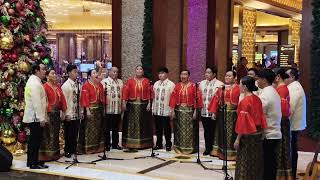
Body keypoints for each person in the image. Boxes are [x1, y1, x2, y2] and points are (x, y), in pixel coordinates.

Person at [234, 76, 268, 180]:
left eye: (240, 84)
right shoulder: (257, 98)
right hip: (257, 134)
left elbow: (243, 123)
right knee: (255, 159)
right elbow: (262, 116)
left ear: (244, 87)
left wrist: (237, 139)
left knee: (244, 160)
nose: (239, 86)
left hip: (247, 135)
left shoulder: (244, 101)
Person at [208, 70, 240, 160]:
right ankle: (220, 152)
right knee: (221, 132)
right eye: (226, 76)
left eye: (229, 76)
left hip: (233, 115)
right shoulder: (221, 88)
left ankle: (231, 154)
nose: (227, 77)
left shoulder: (239, 88)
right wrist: (214, 112)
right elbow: (216, 100)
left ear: (235, 78)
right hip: (222, 113)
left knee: (231, 134)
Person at [257, 69, 282, 180]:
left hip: (269, 134)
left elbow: (258, 113)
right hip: (274, 132)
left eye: (258, 78)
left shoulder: (265, 95)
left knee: (268, 164)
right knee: (271, 162)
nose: (257, 81)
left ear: (264, 80)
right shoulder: (273, 91)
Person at [169, 70, 202, 155]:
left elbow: (197, 98)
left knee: (189, 130)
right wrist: (172, 110)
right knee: (178, 130)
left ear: (188, 76)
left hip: (189, 111)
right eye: (182, 74)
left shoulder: (193, 86)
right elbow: (173, 98)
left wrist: (195, 111)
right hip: (179, 111)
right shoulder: (177, 86)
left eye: (185, 74)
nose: (183, 76)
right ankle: (178, 147)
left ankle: (190, 148)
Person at [23, 63, 48, 169]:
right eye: (43, 69)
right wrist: (41, 118)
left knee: (34, 140)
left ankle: (32, 161)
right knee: (35, 140)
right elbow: (36, 102)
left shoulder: (35, 81)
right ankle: (33, 163)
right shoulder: (34, 83)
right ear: (37, 71)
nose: (45, 71)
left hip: (35, 116)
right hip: (35, 117)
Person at [122, 65, 153, 150]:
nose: (139, 71)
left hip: (144, 106)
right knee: (132, 124)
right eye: (137, 69)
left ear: (143, 71)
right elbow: (125, 92)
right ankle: (130, 143)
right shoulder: (130, 81)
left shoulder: (147, 81)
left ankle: (145, 143)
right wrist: (124, 103)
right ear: (135, 71)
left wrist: (150, 103)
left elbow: (150, 93)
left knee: (143, 124)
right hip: (132, 106)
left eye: (141, 69)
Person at [39, 69, 67, 162]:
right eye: (52, 73)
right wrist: (44, 114)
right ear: (47, 76)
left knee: (55, 134)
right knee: (48, 134)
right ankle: (46, 155)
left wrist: (63, 111)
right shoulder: (44, 87)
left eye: (55, 73)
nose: (55, 75)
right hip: (49, 114)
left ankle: (55, 154)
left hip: (56, 114)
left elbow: (62, 99)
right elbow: (43, 102)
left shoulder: (58, 87)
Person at [285, 67, 306, 180]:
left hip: (293, 125)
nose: (284, 79)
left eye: (286, 76)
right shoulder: (292, 87)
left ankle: (291, 174)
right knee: (292, 149)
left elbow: (290, 109)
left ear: (292, 77)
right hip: (293, 124)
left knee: (292, 150)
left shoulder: (295, 89)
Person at [199, 66, 224, 155]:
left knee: (214, 131)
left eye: (209, 72)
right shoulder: (201, 83)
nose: (206, 74)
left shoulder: (219, 84)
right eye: (206, 72)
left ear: (214, 74)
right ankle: (207, 148)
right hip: (204, 111)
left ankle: (214, 149)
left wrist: (215, 112)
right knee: (206, 131)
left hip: (214, 112)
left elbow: (219, 99)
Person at [80, 69, 106, 154]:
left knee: (98, 129)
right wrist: (87, 110)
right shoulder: (86, 86)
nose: (96, 74)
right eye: (94, 73)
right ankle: (89, 148)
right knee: (90, 129)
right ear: (89, 76)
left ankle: (98, 147)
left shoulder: (100, 85)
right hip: (91, 110)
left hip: (99, 110)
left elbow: (102, 98)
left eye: (96, 73)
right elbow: (84, 99)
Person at [273, 68, 293, 179]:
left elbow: (283, 110)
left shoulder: (282, 89)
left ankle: (281, 174)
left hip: (281, 122)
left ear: (278, 77)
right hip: (282, 120)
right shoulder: (280, 88)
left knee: (281, 148)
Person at [152, 67, 175, 151]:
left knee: (167, 128)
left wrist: (171, 110)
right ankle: (158, 144)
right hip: (157, 109)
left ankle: (168, 144)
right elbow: (154, 97)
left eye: (162, 73)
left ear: (166, 74)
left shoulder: (171, 84)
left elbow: (173, 98)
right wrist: (152, 108)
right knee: (158, 128)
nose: (160, 75)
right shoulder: (156, 84)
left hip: (166, 109)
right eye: (159, 73)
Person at [101, 67, 123, 150]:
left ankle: (115, 144)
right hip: (108, 108)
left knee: (116, 128)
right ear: (109, 72)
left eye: (117, 72)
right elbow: (102, 95)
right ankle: (107, 144)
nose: (115, 73)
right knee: (107, 128)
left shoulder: (120, 82)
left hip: (117, 108)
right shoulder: (104, 82)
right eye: (113, 72)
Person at [61, 64, 80, 158]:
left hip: (76, 113)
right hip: (69, 114)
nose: (76, 74)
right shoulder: (65, 86)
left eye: (77, 72)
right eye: (74, 72)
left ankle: (73, 149)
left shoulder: (77, 84)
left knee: (75, 132)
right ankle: (67, 150)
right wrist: (66, 114)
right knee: (69, 133)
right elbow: (64, 101)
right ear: (69, 73)